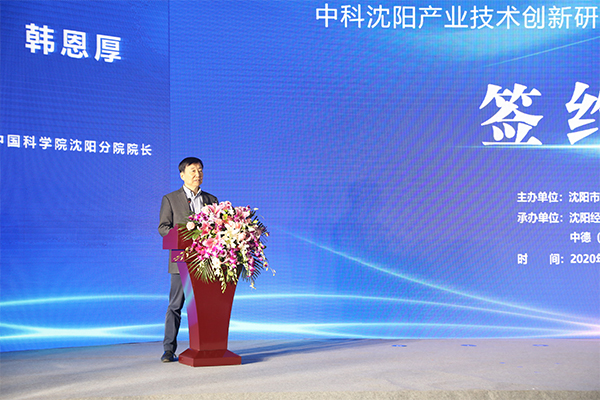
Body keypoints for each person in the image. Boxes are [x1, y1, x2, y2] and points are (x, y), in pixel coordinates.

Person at [158, 157, 218, 362]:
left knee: (205, 307)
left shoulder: (212, 199)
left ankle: (206, 347)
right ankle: (168, 349)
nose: (197, 174)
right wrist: (183, 231)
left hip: (207, 261)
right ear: (182, 174)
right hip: (180, 261)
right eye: (193, 170)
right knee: (175, 305)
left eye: (200, 170)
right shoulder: (170, 199)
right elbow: (163, 228)